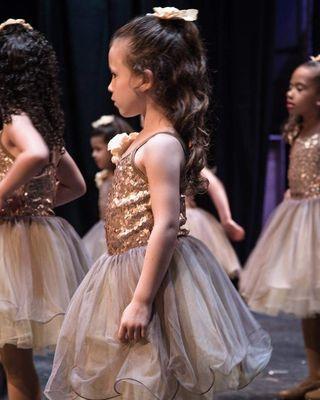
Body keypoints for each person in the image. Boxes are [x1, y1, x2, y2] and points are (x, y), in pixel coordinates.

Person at [45, 7, 271, 399]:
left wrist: (142, 300)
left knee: (158, 376)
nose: (110, 86)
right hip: (123, 268)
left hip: (152, 279)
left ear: (145, 79)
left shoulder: (163, 144)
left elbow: (166, 223)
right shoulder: (142, 140)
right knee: (135, 376)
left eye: (115, 75)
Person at [0, 19, 89, 400]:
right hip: (31, 241)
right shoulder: (42, 123)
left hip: (11, 248)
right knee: (16, 365)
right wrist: (36, 203)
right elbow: (76, 186)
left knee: (16, 367)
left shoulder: (14, 119)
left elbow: (34, 154)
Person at [240, 56, 320, 400]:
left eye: (299, 87)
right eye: (290, 85)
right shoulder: (296, 129)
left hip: (316, 219)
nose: (290, 92)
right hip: (298, 216)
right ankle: (314, 375)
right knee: (307, 306)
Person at [83, 114, 134, 263]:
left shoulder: (125, 178)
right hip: (103, 236)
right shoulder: (104, 178)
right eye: (93, 150)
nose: (93, 155)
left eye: (98, 149)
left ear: (113, 148)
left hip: (125, 236)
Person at [185, 166, 245, 278]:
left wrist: (226, 219)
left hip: (186, 220)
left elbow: (213, 184)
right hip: (149, 221)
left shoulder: (183, 154)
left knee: (196, 272)